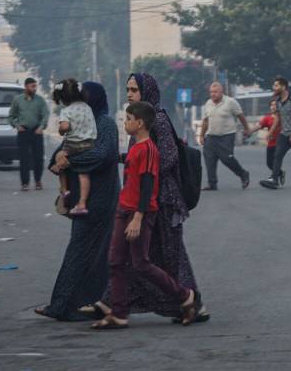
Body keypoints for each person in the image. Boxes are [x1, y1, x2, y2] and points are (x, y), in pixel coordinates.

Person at [79, 73, 208, 325]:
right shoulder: (138, 119)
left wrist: (143, 167)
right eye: (128, 89)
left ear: (146, 92)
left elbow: (169, 156)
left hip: (162, 199)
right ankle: (114, 303)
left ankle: (192, 302)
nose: (129, 94)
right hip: (145, 198)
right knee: (137, 255)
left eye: (134, 89)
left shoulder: (156, 119)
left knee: (170, 256)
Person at [35, 82, 119, 321]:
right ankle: (87, 303)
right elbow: (60, 151)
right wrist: (60, 157)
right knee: (88, 252)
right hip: (83, 200)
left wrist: (70, 160)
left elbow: (103, 155)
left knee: (83, 251)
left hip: (101, 199)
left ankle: (63, 306)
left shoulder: (105, 124)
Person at [53, 79, 97, 217]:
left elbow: (65, 127)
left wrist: (61, 130)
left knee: (59, 157)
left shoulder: (67, 110)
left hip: (72, 145)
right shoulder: (87, 107)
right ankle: (82, 204)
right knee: (84, 174)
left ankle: (64, 189)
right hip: (89, 144)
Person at [200, 82, 251, 191]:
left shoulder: (230, 102)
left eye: (215, 92)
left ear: (221, 92)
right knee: (209, 159)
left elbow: (241, 116)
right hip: (211, 136)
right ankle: (212, 183)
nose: (213, 94)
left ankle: (243, 174)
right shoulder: (208, 103)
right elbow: (205, 121)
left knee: (227, 158)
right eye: (211, 92)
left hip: (226, 136)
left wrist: (246, 128)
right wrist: (201, 135)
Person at [9, 77, 49, 192]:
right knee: (24, 158)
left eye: (35, 86)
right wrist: (17, 126)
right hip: (23, 132)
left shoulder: (40, 100)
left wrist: (41, 127)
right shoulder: (18, 100)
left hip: (36, 131)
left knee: (38, 158)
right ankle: (25, 183)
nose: (34, 88)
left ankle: (38, 181)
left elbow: (45, 115)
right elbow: (11, 116)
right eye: (32, 86)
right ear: (26, 87)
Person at [248, 99, 284, 185]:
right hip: (271, 143)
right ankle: (280, 173)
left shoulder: (283, 116)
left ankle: (274, 178)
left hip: (281, 143)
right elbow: (259, 126)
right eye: (271, 105)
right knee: (269, 163)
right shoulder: (267, 118)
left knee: (276, 161)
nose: (273, 106)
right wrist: (249, 131)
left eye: (275, 104)